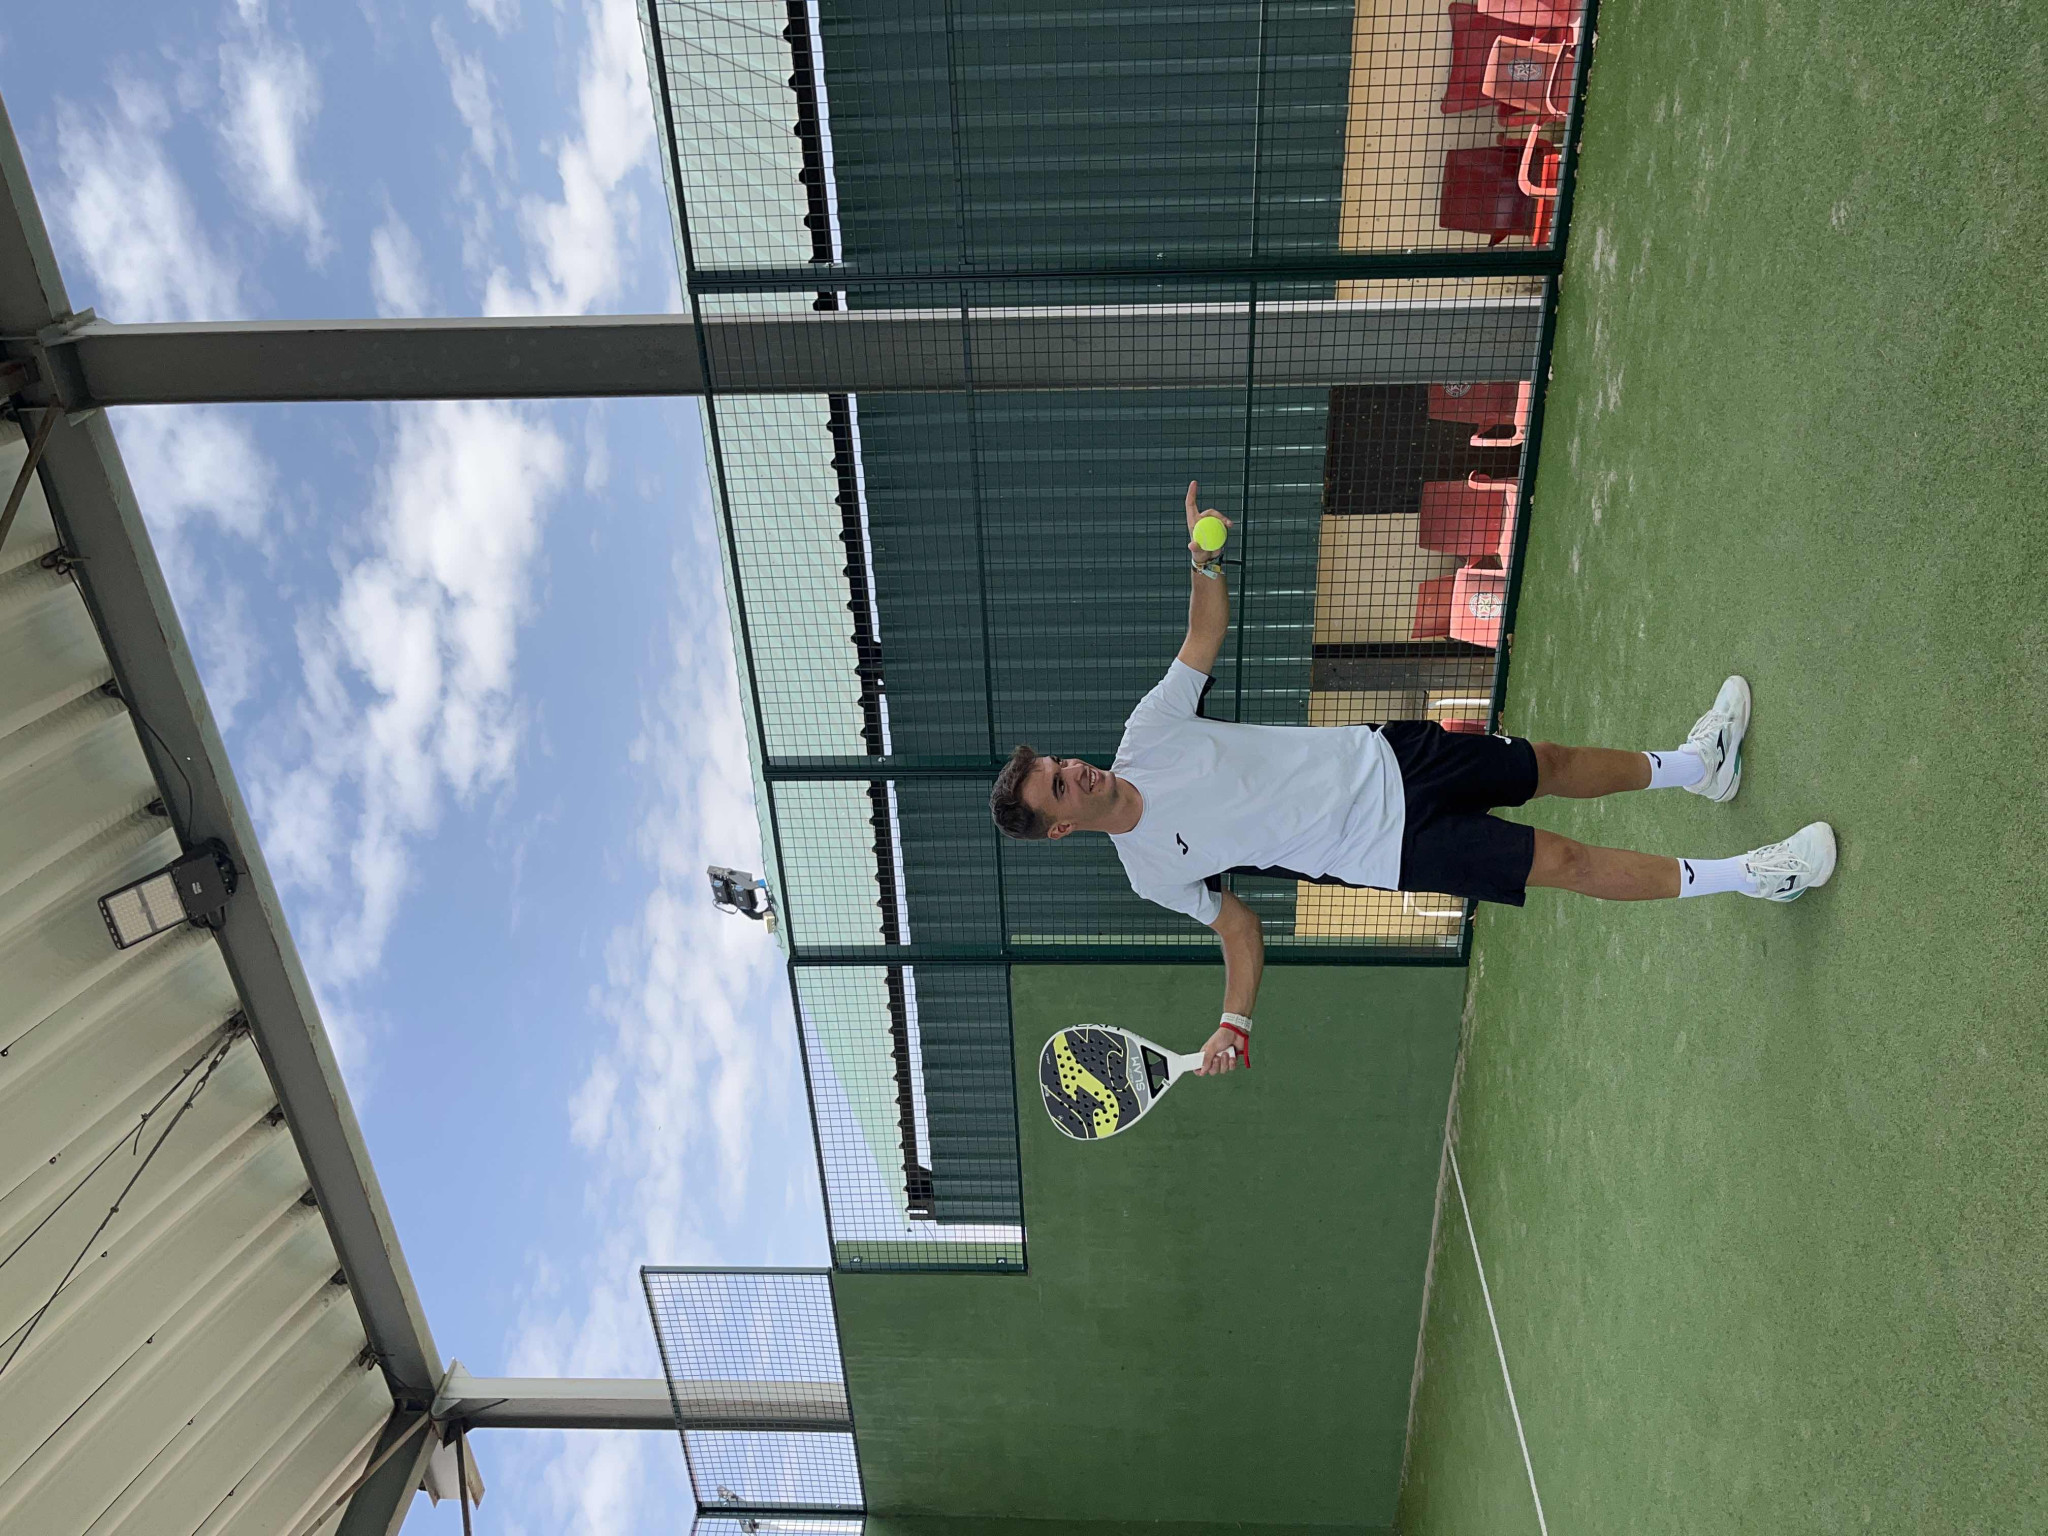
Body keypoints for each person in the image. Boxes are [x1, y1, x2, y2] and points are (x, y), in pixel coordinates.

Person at [987, 483, 1837, 1077]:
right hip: (1392, 848)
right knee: (1565, 862)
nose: (1074, 772)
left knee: (1548, 762)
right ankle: (1756, 876)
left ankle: (1697, 766)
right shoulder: (1152, 873)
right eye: (1058, 788)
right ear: (1060, 827)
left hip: (1391, 757)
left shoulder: (1147, 732)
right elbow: (1239, 928)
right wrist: (1232, 1022)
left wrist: (1203, 560)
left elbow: (1202, 636)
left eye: (1059, 764)